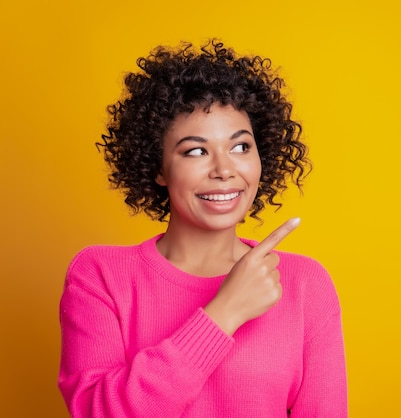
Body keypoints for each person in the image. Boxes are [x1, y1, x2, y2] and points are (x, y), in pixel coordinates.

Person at [58, 39, 347, 417]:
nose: (224, 170)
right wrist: (224, 313)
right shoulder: (99, 275)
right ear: (158, 168)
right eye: (196, 151)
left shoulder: (305, 283)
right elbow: (99, 412)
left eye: (241, 147)